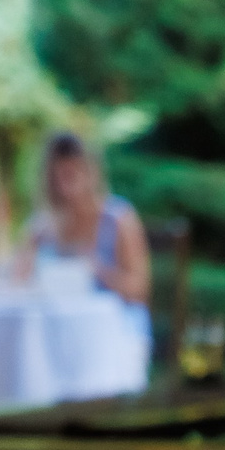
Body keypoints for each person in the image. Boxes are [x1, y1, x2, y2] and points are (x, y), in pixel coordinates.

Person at [24, 131, 152, 338]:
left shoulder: (118, 219)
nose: (67, 188)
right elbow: (15, 277)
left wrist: (98, 269)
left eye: (72, 175)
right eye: (58, 178)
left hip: (113, 334)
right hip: (56, 331)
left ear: (91, 172)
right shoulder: (41, 226)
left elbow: (139, 291)